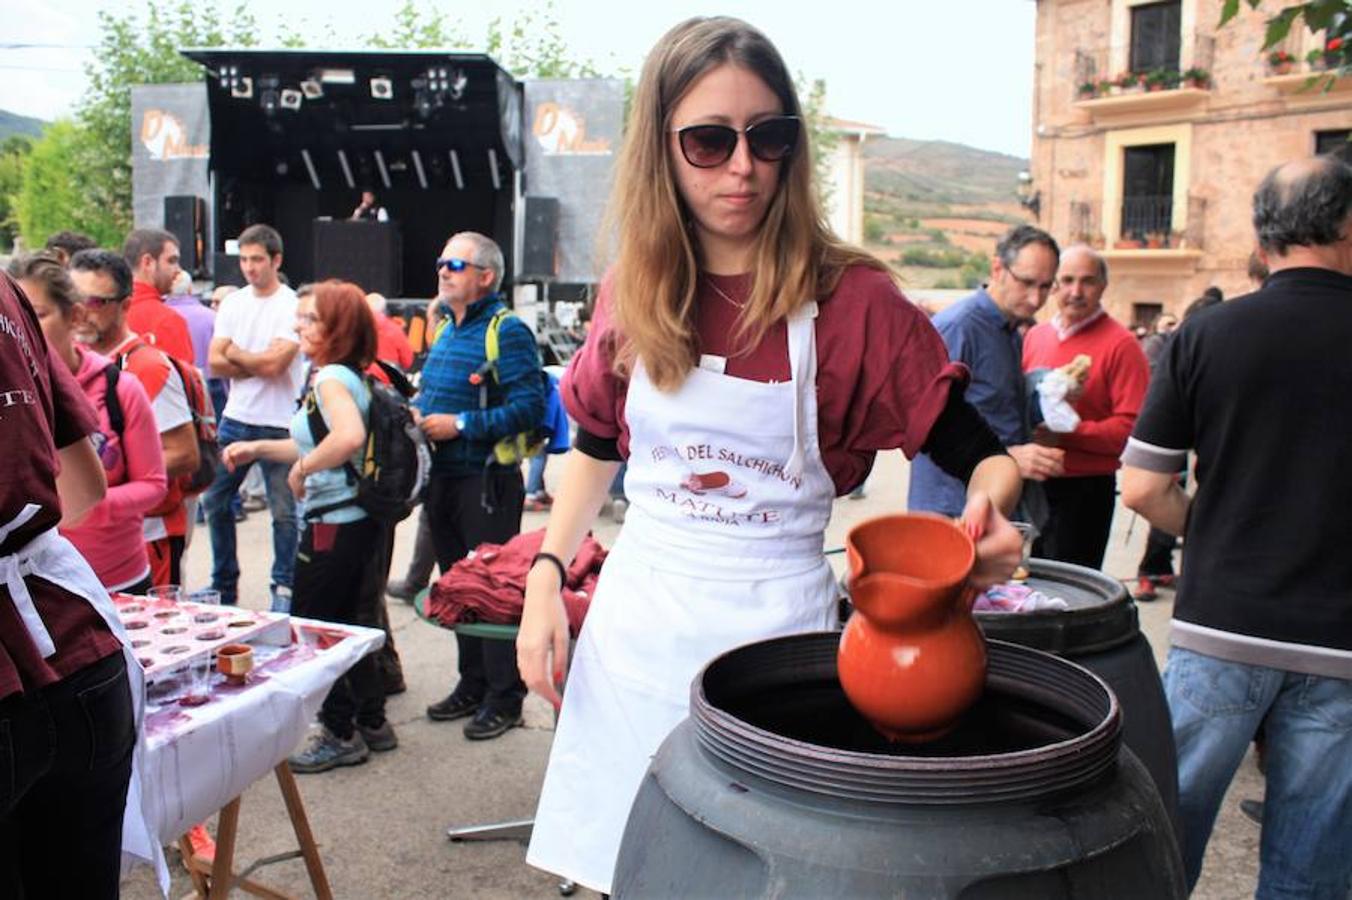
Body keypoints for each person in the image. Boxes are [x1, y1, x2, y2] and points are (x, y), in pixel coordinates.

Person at [515, 18, 1022, 895]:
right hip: (637, 628)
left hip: (776, 643)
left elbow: (983, 456)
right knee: (627, 871)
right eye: (709, 141)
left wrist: (987, 518)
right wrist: (545, 577)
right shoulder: (634, 289)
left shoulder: (853, 303)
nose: (742, 167)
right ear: (660, 151)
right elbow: (597, 442)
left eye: (768, 137)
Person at [1120, 155, 1352, 898]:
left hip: (1221, 627)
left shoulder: (1207, 335)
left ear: (1262, 238)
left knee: (1161, 836)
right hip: (1341, 644)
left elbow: (1143, 486)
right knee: (1309, 868)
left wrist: (1204, 530)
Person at [0, 268, 163, 897]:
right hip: (75, 646)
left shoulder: (131, 379)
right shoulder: (7, 289)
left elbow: (133, 484)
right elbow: (81, 486)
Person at [221, 280, 398, 771]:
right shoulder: (348, 376)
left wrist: (302, 470)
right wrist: (259, 450)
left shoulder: (329, 380)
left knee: (316, 630)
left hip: (334, 525)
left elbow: (347, 437)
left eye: (310, 320)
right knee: (349, 623)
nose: (298, 327)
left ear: (337, 328)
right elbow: (323, 442)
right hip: (355, 522)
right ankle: (371, 722)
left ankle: (340, 733)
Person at [415, 231, 546, 740]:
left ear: (486, 276)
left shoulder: (506, 330)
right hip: (444, 479)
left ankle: (504, 697)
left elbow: (529, 407)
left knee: (494, 593)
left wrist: (461, 425)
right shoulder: (447, 327)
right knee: (457, 587)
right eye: (442, 263)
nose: (444, 271)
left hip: (485, 482)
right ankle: (471, 684)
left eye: (455, 264)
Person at [12, 252, 168, 594]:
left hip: (120, 581)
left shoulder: (121, 387)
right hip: (41, 588)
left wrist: (89, 505)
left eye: (37, 315)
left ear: (75, 316)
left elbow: (154, 484)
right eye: (12, 321)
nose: (22, 332)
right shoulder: (13, 401)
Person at [909, 224, 1064, 519]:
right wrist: (1007, 457)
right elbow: (922, 422)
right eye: (1026, 282)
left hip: (991, 505)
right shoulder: (958, 327)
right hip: (951, 510)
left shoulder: (1012, 332)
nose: (1035, 299)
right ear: (997, 269)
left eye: (1045, 287)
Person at [67, 249, 199, 587]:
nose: (80, 312)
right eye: (73, 299)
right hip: (85, 550)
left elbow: (185, 454)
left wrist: (95, 491)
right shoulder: (68, 367)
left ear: (125, 306)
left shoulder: (147, 367)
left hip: (146, 538)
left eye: (95, 303)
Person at [1021, 245, 1149, 569]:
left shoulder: (1122, 345)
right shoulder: (1035, 336)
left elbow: (1132, 429)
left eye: (1087, 281)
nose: (1075, 291)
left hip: (1084, 490)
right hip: (1031, 483)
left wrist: (1066, 434)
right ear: (1053, 285)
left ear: (1103, 286)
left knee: (1072, 596)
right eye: (1066, 281)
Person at [204, 224, 305, 610]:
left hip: (279, 421)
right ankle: (223, 584)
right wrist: (256, 360)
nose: (249, 267)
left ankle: (283, 588)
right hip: (237, 417)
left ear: (276, 260)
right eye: (244, 259)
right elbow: (215, 362)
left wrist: (238, 354)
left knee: (284, 514)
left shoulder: (291, 304)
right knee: (215, 501)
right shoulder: (233, 303)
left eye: (257, 259)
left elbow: (276, 366)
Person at [122, 228, 194, 364]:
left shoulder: (104, 312)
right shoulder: (168, 321)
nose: (178, 269)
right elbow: (182, 382)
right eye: (171, 261)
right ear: (148, 262)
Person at [366, 291, 414, 371]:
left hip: (360, 378)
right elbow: (407, 361)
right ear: (384, 310)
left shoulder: (354, 329)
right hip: (388, 378)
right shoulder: (395, 330)